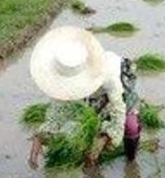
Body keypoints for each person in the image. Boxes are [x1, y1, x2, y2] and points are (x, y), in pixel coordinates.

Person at [28, 26, 140, 168]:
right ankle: (94, 168)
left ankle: (131, 162)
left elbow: (118, 113)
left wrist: (105, 138)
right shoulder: (61, 76)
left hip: (119, 87)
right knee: (89, 126)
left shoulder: (107, 75)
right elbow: (56, 113)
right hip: (92, 96)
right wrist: (40, 137)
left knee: (131, 126)